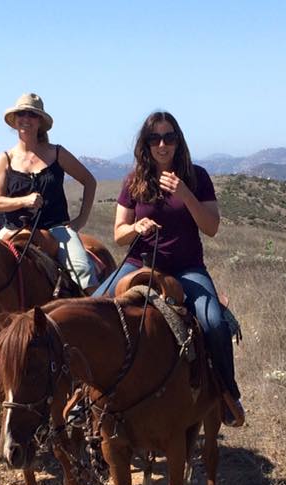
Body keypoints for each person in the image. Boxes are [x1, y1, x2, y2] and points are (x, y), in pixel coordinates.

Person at [94, 111, 244, 427]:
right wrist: (136, 228)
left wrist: (185, 194)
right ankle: (88, 398)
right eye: (155, 138)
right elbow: (119, 233)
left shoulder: (197, 176)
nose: (162, 145)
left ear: (178, 141)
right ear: (145, 144)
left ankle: (227, 395)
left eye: (169, 137)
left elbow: (212, 227)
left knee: (214, 322)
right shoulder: (133, 180)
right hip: (140, 264)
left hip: (186, 268)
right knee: (92, 310)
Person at [0, 93, 97, 290]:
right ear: (14, 121)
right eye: (21, 114)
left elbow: (89, 181)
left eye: (32, 114)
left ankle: (92, 313)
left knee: (84, 272)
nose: (26, 119)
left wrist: (80, 220)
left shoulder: (57, 153)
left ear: (39, 121)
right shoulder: (5, 158)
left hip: (56, 230)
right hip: (13, 229)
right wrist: (24, 201)